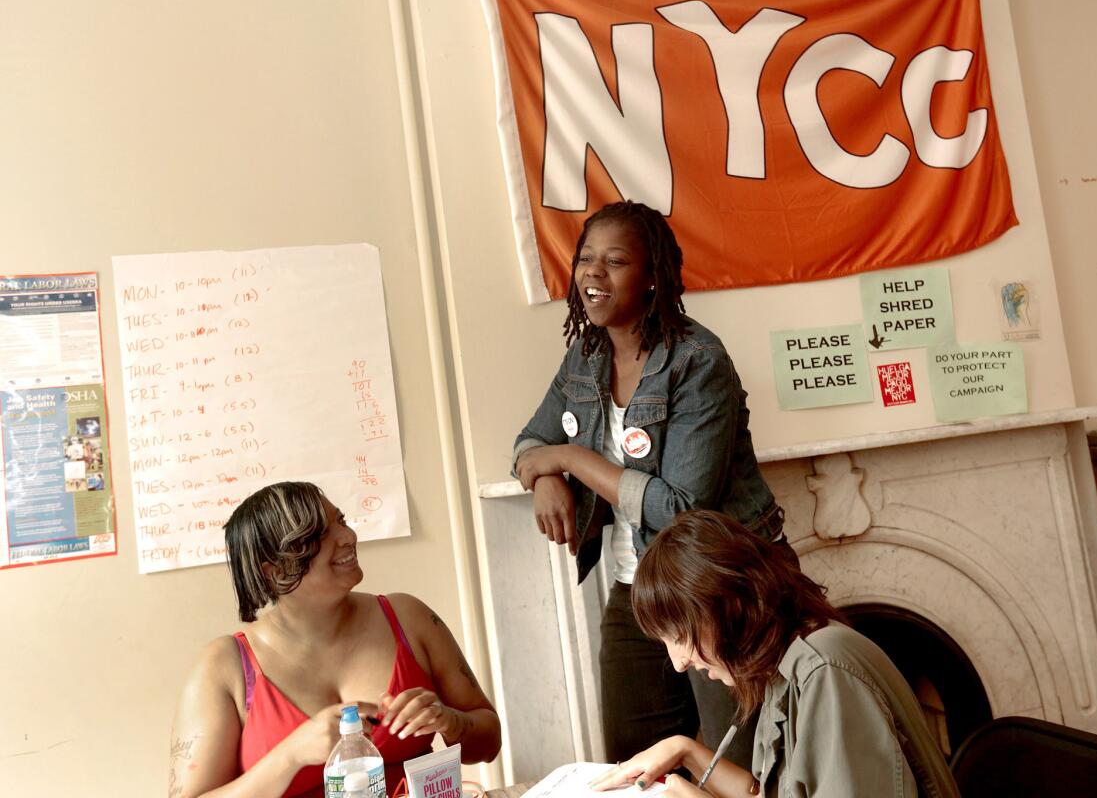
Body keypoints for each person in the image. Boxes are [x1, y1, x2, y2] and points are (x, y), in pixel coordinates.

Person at [513, 201, 783, 767]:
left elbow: (681, 508)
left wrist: (571, 459)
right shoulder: (585, 357)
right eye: (586, 258)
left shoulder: (697, 360)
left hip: (719, 591)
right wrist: (544, 476)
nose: (593, 273)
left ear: (653, 275)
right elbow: (528, 443)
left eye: (614, 261)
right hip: (636, 589)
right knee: (633, 764)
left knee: (732, 766)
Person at [590, 510, 960, 798]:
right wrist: (684, 749)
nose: (679, 662)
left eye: (679, 636)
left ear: (728, 605)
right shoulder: (789, 662)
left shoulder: (823, 669)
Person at [169, 481, 501, 798]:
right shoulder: (224, 666)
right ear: (274, 570)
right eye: (319, 534)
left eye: (340, 521)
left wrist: (449, 720)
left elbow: (489, 742)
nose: (347, 537)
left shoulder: (408, 617)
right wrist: (291, 754)